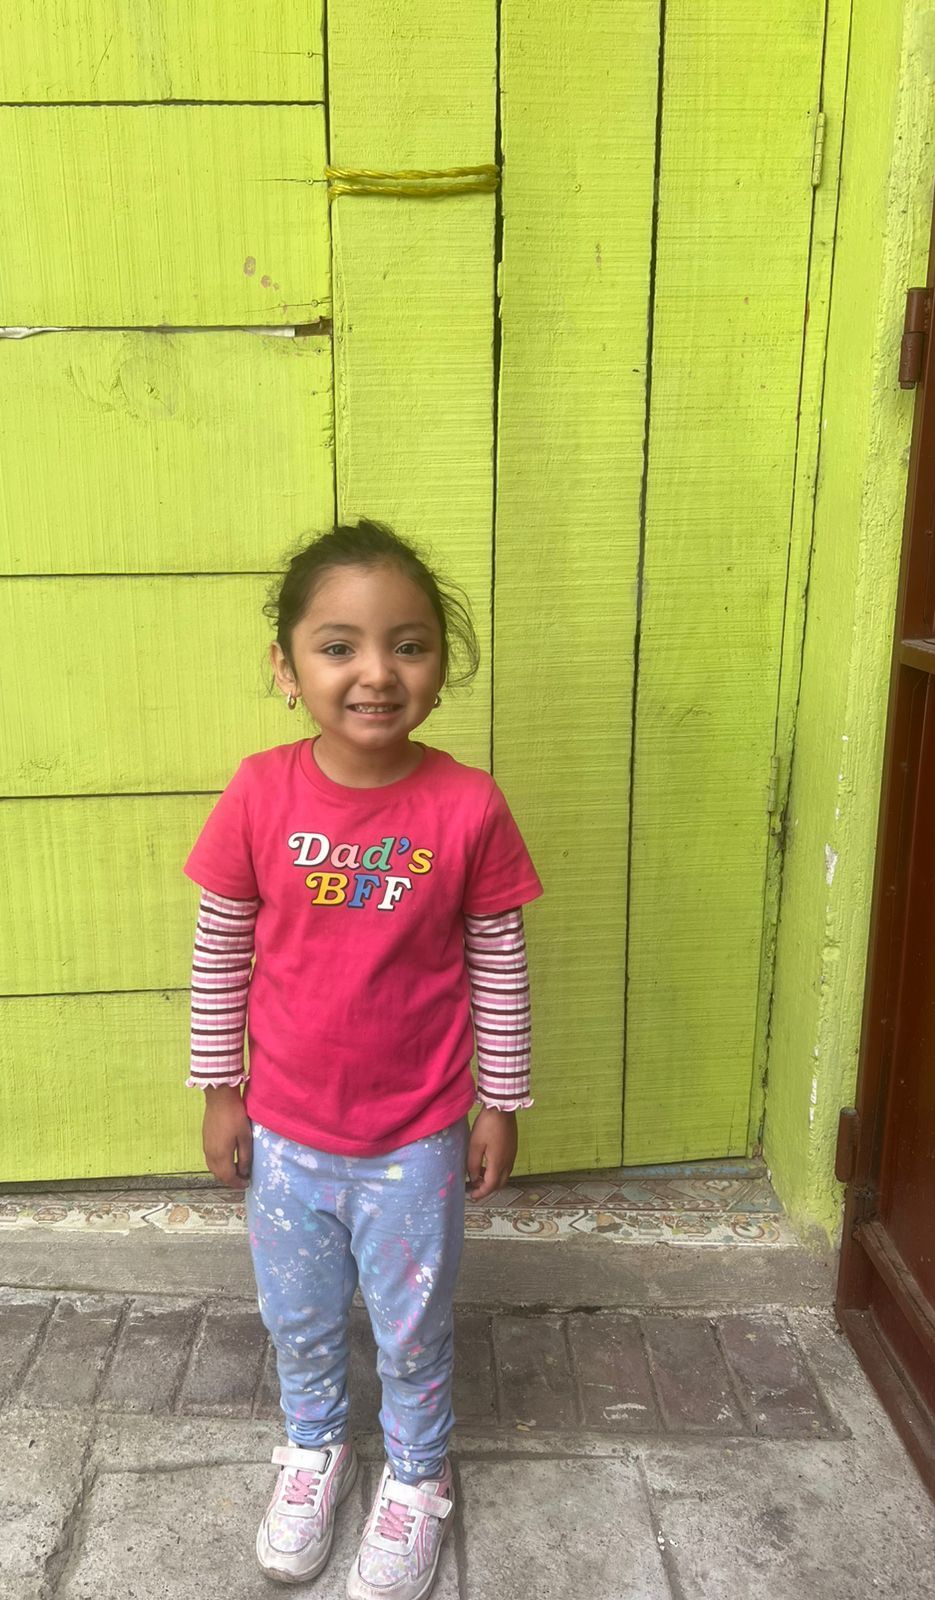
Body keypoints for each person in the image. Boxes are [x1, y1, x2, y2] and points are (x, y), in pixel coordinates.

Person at [184, 519, 542, 1600]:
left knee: (411, 1329)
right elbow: (220, 949)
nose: (377, 672)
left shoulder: (469, 805)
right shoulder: (259, 793)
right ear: (286, 667)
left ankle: (420, 1476)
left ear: (440, 663)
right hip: (287, 1136)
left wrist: (500, 1101)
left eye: (409, 645)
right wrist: (221, 1090)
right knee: (297, 1318)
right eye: (339, 646)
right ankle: (315, 1449)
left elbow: (499, 960)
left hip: (417, 1140)